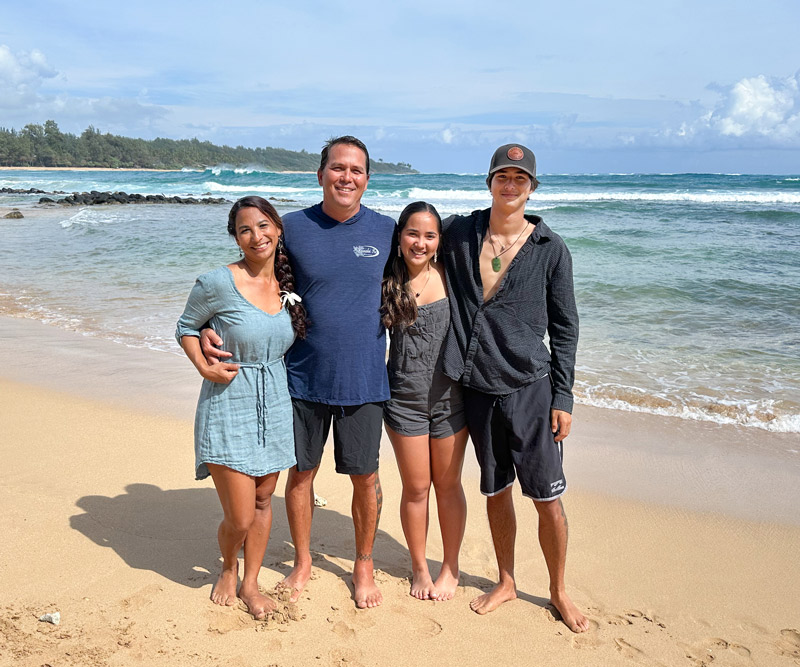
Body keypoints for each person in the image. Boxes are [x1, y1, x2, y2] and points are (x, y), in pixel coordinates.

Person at [201, 137, 394, 608]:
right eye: (337, 168)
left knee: (365, 478)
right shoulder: (294, 229)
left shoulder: (389, 230)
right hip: (303, 379)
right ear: (320, 173)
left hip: (365, 379)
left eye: (356, 170)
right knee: (301, 477)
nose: (346, 177)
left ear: (368, 178)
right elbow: (255, 281)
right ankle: (304, 560)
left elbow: (429, 269)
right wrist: (207, 326)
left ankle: (363, 563)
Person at [441, 144, 590, 632]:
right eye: (502, 176)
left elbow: (566, 329)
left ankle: (558, 590)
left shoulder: (552, 250)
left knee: (547, 496)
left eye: (519, 178)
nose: (510, 185)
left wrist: (564, 398)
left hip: (531, 387)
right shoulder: (460, 233)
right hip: (477, 386)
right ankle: (506, 581)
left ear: (532, 188)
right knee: (496, 490)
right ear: (489, 182)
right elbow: (409, 244)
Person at [176, 196, 308, 619]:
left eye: (265, 225)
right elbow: (185, 327)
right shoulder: (216, 282)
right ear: (235, 237)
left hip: (275, 401)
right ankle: (228, 565)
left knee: (264, 500)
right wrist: (203, 365)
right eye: (246, 229)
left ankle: (250, 582)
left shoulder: (288, 285)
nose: (257, 236)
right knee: (239, 516)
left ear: (278, 229)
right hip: (229, 401)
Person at [380, 201, 468, 601]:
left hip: (451, 399)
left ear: (439, 241)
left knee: (448, 485)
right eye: (413, 233)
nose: (421, 242)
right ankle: (419, 567)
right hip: (403, 399)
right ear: (400, 237)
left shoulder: (453, 275)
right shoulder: (386, 280)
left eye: (430, 235)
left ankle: (450, 567)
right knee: (416, 488)